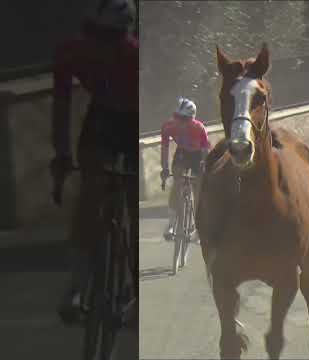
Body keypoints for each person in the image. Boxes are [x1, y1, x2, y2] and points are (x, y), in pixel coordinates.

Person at [50, 0, 139, 324]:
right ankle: (76, 285)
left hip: (132, 122)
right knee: (90, 194)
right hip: (103, 120)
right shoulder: (74, 51)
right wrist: (61, 155)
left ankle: (136, 288)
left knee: (132, 203)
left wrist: (61, 154)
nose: (108, 47)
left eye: (114, 38)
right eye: (102, 37)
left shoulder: (132, 55)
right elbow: (60, 106)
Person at [160, 98, 210, 241]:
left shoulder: (199, 128)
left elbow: (205, 151)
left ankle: (198, 226)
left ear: (192, 119)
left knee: (198, 189)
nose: (180, 122)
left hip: (197, 154)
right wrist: (164, 168)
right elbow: (164, 148)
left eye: (184, 119)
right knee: (176, 183)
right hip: (182, 153)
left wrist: (203, 167)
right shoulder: (168, 127)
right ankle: (171, 224)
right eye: (177, 117)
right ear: (173, 116)